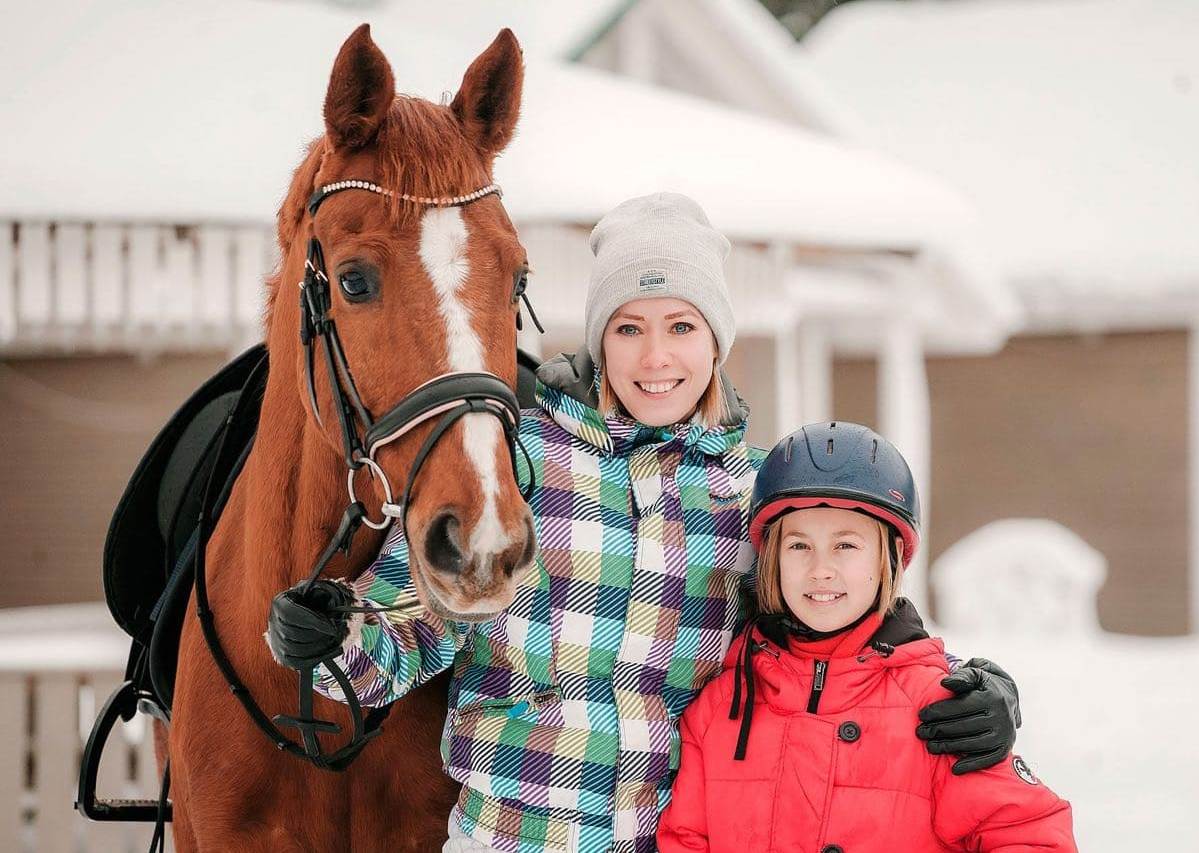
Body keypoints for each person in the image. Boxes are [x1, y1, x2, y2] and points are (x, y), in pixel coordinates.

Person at [267, 193, 1022, 853]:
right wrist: (334, 635)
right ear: (599, 340)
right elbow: (410, 628)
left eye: (682, 326)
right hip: (509, 837)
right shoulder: (519, 464)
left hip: (678, 838)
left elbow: (844, 634)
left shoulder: (756, 494)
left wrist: (976, 693)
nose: (656, 357)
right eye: (629, 328)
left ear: (715, 341)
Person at [657, 421, 1076, 851]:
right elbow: (684, 839)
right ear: (771, 560)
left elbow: (1032, 836)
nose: (821, 569)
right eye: (799, 546)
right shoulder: (719, 709)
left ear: (887, 559)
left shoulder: (939, 709)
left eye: (846, 546)